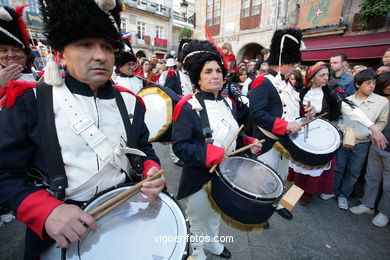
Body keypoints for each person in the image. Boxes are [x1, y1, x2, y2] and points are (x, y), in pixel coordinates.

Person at [0, 1, 166, 259]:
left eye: (107, 47)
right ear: (61, 53)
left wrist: (150, 169)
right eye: (85, 44)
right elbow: (5, 173)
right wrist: (45, 211)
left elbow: (143, 150)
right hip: (59, 234)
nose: (100, 56)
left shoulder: (132, 101)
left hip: (126, 217)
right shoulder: (28, 101)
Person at [172, 39, 262, 260]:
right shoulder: (186, 105)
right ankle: (196, 250)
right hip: (198, 175)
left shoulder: (227, 103)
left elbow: (234, 133)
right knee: (197, 216)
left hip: (226, 173)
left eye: (218, 71)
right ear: (198, 77)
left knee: (215, 213)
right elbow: (180, 147)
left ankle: (212, 243)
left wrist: (248, 140)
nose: (216, 75)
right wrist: (208, 154)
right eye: (208, 72)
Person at [287, 65, 386, 205]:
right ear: (311, 77)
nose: (326, 78)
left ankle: (307, 193)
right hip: (303, 134)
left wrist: (373, 128)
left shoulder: (332, 93)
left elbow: (352, 110)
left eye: (327, 75)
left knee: (314, 168)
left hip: (323, 137)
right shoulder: (302, 93)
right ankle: (295, 192)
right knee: (301, 165)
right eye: (322, 75)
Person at [249, 28, 315, 221]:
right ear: (283, 62)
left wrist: (305, 112)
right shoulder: (262, 81)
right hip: (268, 141)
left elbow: (290, 109)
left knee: (281, 176)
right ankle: (257, 210)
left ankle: (276, 204)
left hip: (285, 142)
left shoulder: (287, 84)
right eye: (291, 63)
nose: (294, 67)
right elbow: (258, 114)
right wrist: (284, 126)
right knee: (262, 179)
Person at [332, 70, 389, 210]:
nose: (372, 86)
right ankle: (332, 191)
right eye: (368, 83)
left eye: (374, 83)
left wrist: (372, 132)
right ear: (357, 84)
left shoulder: (382, 102)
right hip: (344, 139)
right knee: (338, 167)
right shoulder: (348, 100)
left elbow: (382, 122)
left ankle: (344, 195)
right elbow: (340, 118)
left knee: (354, 171)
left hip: (363, 142)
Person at [349, 72, 390, 227]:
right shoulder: (380, 100)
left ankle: (385, 213)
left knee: (388, 185)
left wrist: (376, 130)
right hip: (375, 144)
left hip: (387, 147)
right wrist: (374, 132)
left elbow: (381, 122)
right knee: (371, 177)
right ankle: (368, 204)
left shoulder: (381, 102)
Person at [0, 5, 35, 100]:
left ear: (26, 54)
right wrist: (1, 86)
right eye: (3, 50)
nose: (11, 54)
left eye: (16, 49)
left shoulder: (42, 78)